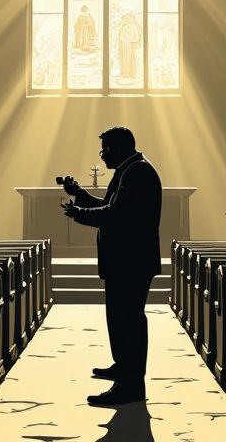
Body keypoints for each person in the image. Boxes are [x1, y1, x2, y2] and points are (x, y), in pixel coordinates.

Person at [60, 126, 162, 405]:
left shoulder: (138, 172)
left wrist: (78, 213)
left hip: (131, 261)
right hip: (126, 260)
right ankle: (123, 367)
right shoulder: (131, 169)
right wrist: (78, 193)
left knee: (128, 320)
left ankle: (131, 384)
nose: (102, 154)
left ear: (119, 148)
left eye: (105, 149)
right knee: (120, 319)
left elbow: (116, 215)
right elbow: (109, 204)